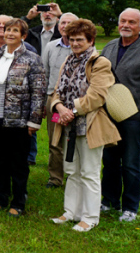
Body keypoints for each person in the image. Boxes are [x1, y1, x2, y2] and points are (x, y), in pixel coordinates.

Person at [50, 19, 121, 232]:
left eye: (80, 39)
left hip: (89, 125)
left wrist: (71, 112)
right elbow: (56, 91)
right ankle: (71, 212)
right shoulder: (67, 61)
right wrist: (59, 108)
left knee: (89, 172)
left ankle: (90, 217)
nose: (75, 43)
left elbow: (97, 96)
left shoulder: (100, 63)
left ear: (90, 40)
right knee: (72, 171)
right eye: (71, 39)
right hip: (68, 125)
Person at [0, 18, 46, 217]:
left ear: (23, 36)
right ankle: (1, 198)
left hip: (19, 121)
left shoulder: (32, 59)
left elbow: (38, 92)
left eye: (15, 31)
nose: (10, 33)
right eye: (7, 29)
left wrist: (34, 121)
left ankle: (18, 202)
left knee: (18, 163)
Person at [99, 8, 140, 223]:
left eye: (132, 22)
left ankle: (130, 207)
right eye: (123, 21)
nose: (126, 25)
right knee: (110, 160)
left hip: (134, 117)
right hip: (109, 115)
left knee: (130, 163)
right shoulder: (110, 46)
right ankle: (109, 200)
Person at [41, 13, 79, 188]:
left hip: (77, 103)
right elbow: (45, 74)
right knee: (55, 139)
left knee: (76, 139)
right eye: (62, 22)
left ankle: (75, 175)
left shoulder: (81, 46)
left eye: (69, 23)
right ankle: (55, 177)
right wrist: (44, 101)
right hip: (54, 102)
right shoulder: (50, 47)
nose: (64, 25)